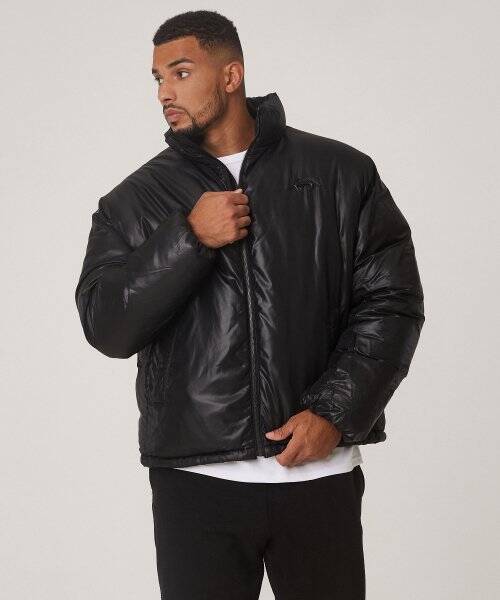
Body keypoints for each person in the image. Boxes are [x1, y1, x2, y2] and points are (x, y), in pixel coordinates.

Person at [74, 9, 425, 600]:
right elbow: (107, 326)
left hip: (317, 475)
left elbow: (392, 302)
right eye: (157, 78)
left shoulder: (340, 173)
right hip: (196, 485)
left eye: (181, 72)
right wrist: (188, 238)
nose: (164, 93)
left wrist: (335, 412)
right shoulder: (132, 202)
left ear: (231, 75)